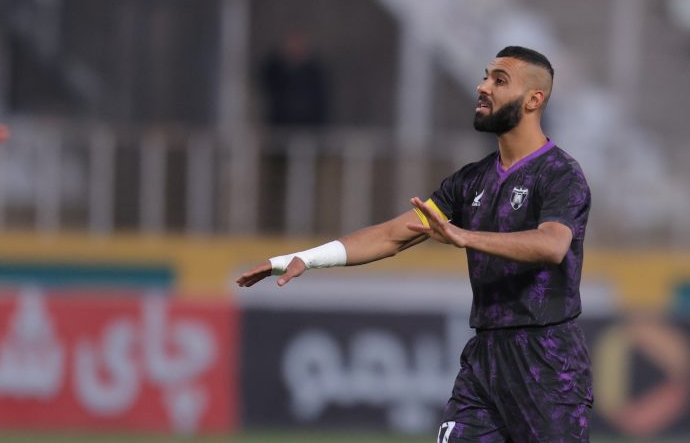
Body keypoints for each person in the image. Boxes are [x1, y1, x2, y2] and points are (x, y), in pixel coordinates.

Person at [236, 46, 594, 442]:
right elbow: (391, 235)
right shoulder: (471, 181)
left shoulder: (561, 174)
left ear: (533, 100)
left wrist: (465, 236)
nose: (483, 87)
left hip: (547, 359)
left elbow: (552, 244)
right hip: (485, 358)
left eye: (499, 80)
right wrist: (306, 258)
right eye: (485, 76)